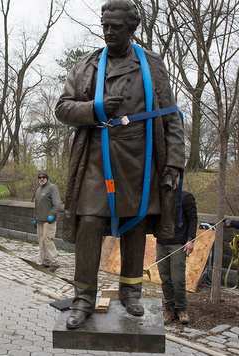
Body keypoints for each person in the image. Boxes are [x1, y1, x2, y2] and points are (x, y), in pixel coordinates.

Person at [55, 0, 185, 329]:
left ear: (132, 29)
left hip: (139, 161)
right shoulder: (86, 65)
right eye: (105, 26)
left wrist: (174, 164)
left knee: (136, 224)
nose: (109, 32)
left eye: (117, 27)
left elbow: (171, 117)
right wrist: (96, 108)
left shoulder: (151, 64)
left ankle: (131, 293)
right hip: (96, 160)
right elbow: (63, 109)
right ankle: (83, 298)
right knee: (89, 223)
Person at [156, 185, 197, 325]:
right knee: (165, 278)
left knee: (177, 279)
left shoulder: (185, 197)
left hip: (178, 243)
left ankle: (181, 308)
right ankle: (170, 308)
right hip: (161, 243)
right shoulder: (158, 197)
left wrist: (190, 240)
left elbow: (193, 219)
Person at [33, 172, 61, 273]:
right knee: (41, 240)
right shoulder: (38, 190)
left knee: (47, 239)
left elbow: (57, 204)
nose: (41, 179)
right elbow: (36, 206)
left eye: (43, 177)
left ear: (47, 178)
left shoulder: (52, 188)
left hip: (49, 220)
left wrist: (52, 214)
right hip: (40, 220)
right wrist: (34, 218)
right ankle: (45, 261)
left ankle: (55, 263)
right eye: (40, 177)